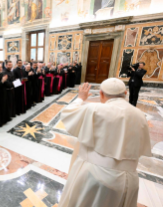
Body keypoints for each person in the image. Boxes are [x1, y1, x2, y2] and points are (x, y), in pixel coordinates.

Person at [58, 79, 152, 207]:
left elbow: (67, 113)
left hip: (95, 179)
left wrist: (81, 98)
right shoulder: (140, 115)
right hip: (129, 181)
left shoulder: (94, 109)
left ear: (101, 94)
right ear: (125, 93)